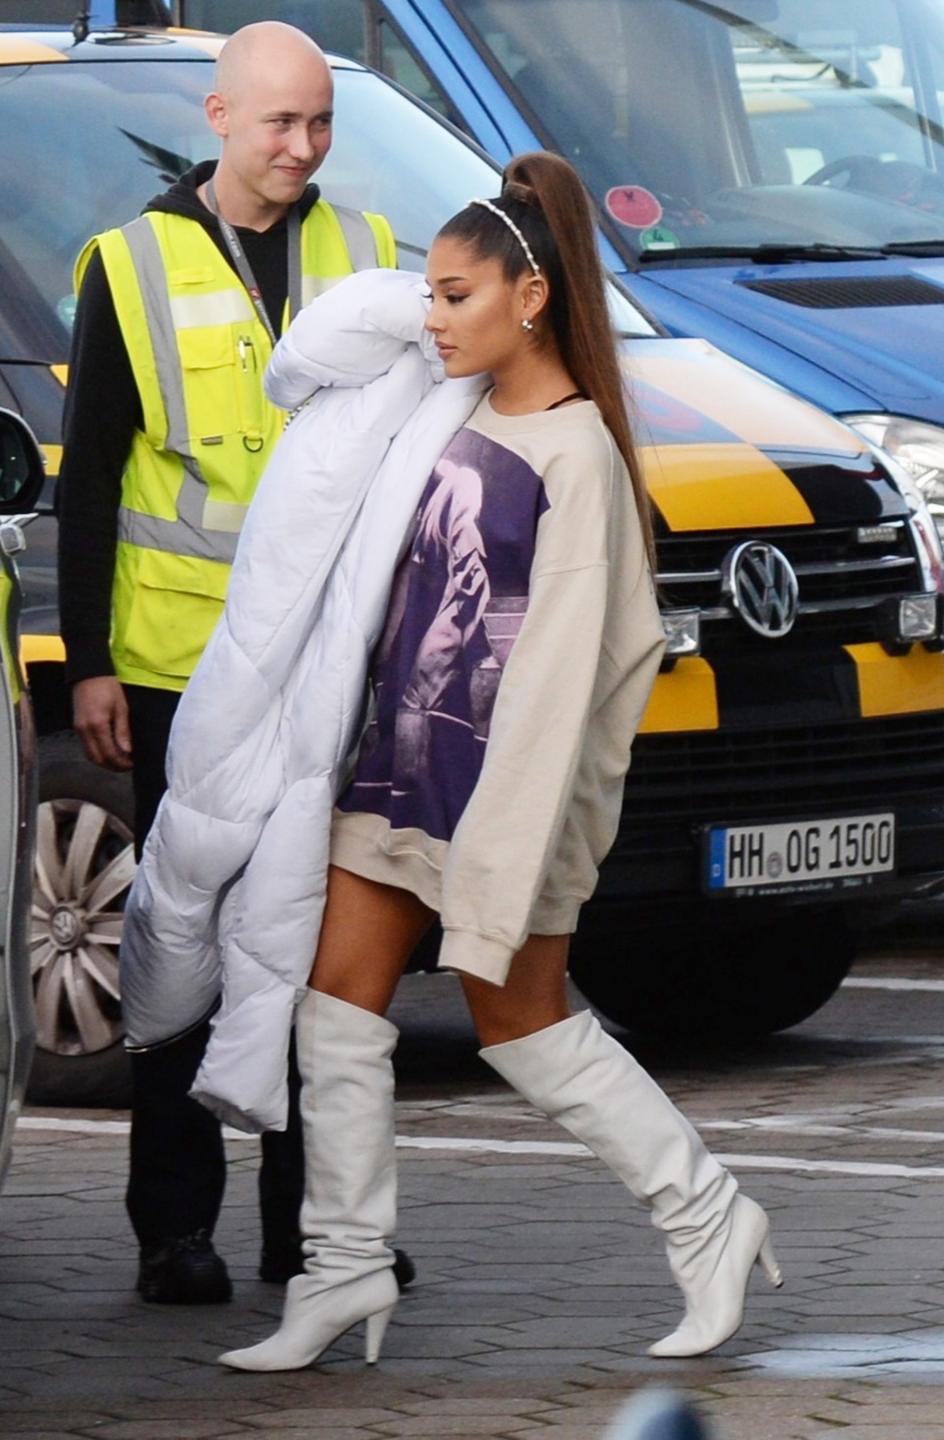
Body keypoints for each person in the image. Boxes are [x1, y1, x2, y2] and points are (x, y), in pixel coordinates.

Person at [215, 150, 783, 1373]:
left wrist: (503, 850)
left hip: (503, 801)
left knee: (523, 1027)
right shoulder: (451, 414)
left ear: (529, 296)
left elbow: (566, 687)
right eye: (430, 293)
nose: (433, 318)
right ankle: (343, 1271)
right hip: (399, 769)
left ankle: (709, 1217)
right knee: (337, 1011)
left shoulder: (580, 458)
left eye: (456, 295)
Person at [56, 20, 404, 1306]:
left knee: (323, 953)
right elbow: (86, 479)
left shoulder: (365, 252)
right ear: (218, 117)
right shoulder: (130, 265)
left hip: (327, 670)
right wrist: (89, 659)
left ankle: (311, 1231)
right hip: (179, 668)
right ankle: (173, 1232)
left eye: (320, 125)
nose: (303, 149)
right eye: (279, 125)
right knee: (183, 951)